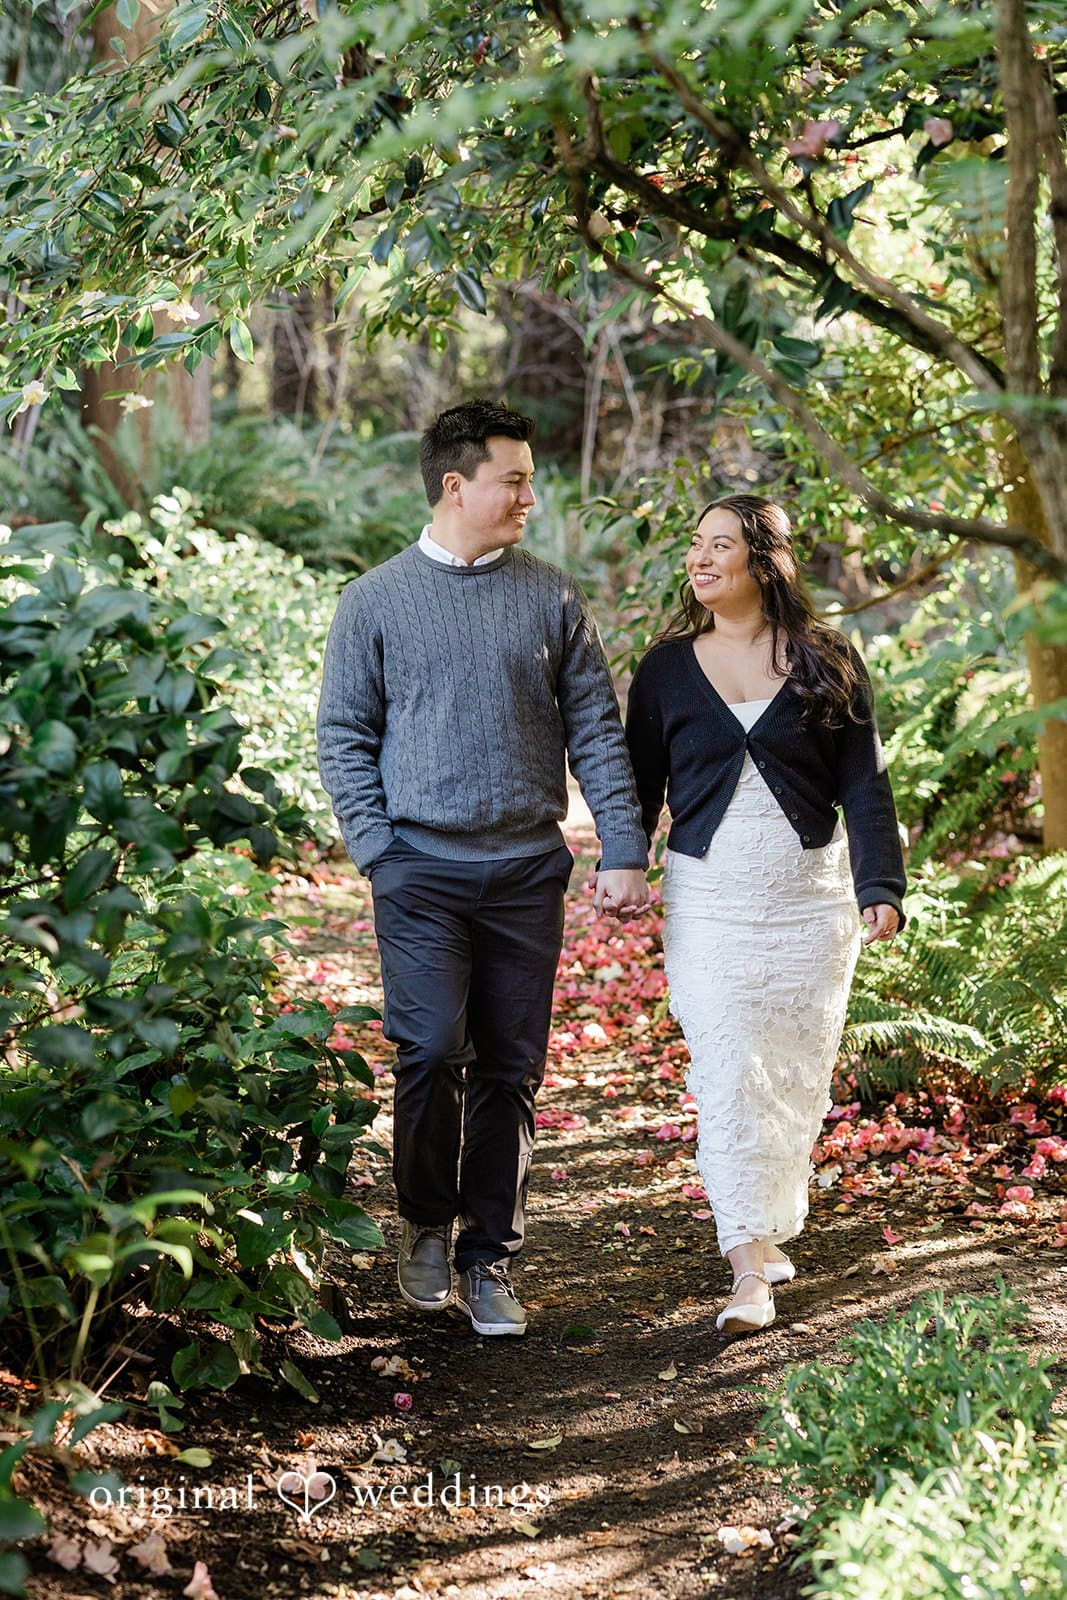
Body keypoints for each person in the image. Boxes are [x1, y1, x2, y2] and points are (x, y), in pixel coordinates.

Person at [316, 400, 649, 1337]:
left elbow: (594, 728)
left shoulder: (549, 596)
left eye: (531, 480)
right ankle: (424, 1222)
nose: (530, 498)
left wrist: (622, 846)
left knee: (510, 1069)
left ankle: (487, 1258)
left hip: (523, 872)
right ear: (456, 485)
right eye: (515, 479)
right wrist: (380, 853)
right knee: (427, 1053)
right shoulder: (373, 601)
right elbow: (342, 737)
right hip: (418, 867)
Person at [625, 495, 905, 1336]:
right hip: (707, 902)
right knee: (726, 1076)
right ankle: (746, 1263)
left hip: (808, 906)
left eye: (722, 546)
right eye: (695, 545)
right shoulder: (666, 668)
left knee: (790, 1078)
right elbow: (639, 783)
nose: (700, 560)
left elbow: (864, 781)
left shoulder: (827, 659)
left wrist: (878, 885)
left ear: (765, 563)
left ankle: (771, 1220)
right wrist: (620, 864)